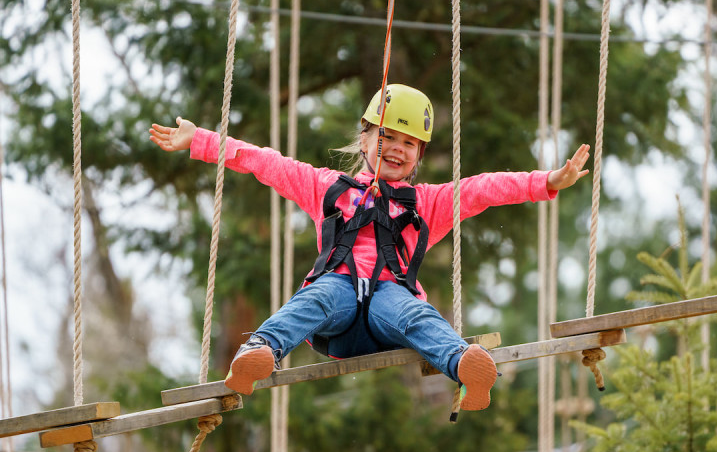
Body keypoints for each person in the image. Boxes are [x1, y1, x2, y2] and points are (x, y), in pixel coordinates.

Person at [150, 84, 590, 411]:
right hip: (336, 312)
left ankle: (464, 366)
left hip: (386, 311)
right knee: (317, 297)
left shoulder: (427, 203)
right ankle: (259, 351)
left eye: (409, 143)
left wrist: (546, 182)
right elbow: (267, 163)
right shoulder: (326, 187)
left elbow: (483, 189)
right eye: (387, 137)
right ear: (363, 139)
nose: (397, 149)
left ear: (418, 155)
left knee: (413, 311)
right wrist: (203, 141)